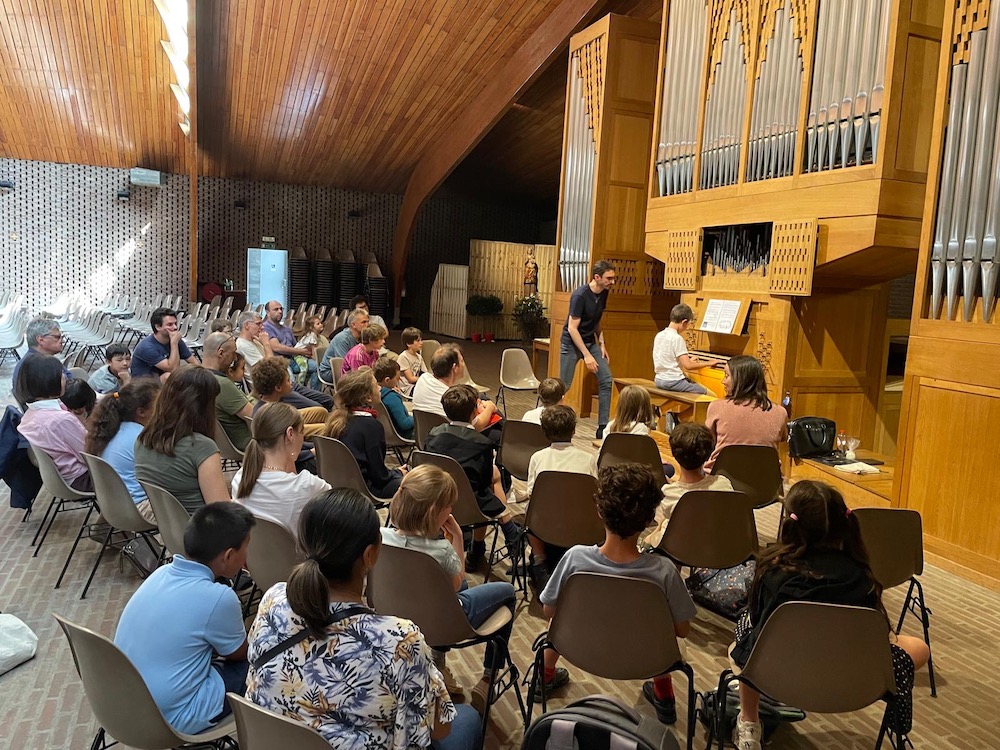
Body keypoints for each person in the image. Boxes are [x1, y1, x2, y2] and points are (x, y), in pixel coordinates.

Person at [246, 489, 481, 750]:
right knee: (467, 718)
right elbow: (439, 728)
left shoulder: (274, 598)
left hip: (273, 740)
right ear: (370, 555)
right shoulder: (400, 640)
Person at [731, 481, 930, 750]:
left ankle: (749, 722)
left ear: (790, 525)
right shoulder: (861, 576)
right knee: (918, 648)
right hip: (853, 681)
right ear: (843, 526)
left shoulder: (773, 572)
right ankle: (898, 731)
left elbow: (758, 623)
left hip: (777, 673)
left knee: (748, 624)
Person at [539, 464, 696, 721]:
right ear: (649, 520)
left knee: (558, 620)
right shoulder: (664, 571)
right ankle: (664, 693)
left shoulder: (574, 559)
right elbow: (682, 630)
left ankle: (544, 676)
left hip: (580, 648)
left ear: (600, 511)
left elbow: (549, 609)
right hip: (646, 656)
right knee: (659, 627)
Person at [381, 465, 516, 712]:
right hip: (445, 625)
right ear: (435, 512)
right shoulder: (441, 552)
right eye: (448, 508)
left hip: (395, 617)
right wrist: (456, 537)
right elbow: (455, 585)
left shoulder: (379, 537)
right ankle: (488, 678)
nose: (451, 511)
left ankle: (438, 662)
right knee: (507, 593)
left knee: (457, 586)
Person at [115, 502, 255, 734]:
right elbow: (240, 653)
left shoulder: (160, 573)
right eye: (247, 548)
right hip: (173, 719)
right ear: (229, 556)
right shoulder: (219, 597)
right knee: (262, 661)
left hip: (125, 706)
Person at [424, 384, 520, 569]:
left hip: (435, 499)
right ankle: (482, 545)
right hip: (471, 506)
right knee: (490, 481)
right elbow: (483, 482)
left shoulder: (433, 435)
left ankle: (494, 539)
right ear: (475, 412)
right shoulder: (481, 444)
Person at [134, 367, 230, 513]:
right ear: (205, 406)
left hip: (169, 525)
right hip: (203, 529)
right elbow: (222, 512)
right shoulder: (202, 447)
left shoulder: (143, 440)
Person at [232, 402, 331, 537]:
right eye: (301, 432)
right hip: (301, 557)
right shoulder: (307, 485)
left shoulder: (240, 477)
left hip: (254, 557)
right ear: (290, 434)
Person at [524, 405, 596, 587]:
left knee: (530, 509)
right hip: (580, 522)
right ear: (573, 430)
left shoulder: (537, 457)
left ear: (545, 432)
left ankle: (540, 561)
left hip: (545, 524)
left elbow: (532, 494)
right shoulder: (588, 459)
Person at [642, 423, 734, 549]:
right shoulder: (723, 484)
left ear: (674, 454)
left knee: (650, 538)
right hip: (714, 545)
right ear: (708, 454)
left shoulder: (669, 493)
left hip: (679, 547)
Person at [85, 378, 162, 523]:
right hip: (140, 508)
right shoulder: (141, 437)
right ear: (141, 412)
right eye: (159, 405)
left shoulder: (113, 429)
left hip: (116, 506)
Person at [323, 368, 405, 498]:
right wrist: (398, 473)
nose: (379, 388)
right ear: (367, 398)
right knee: (414, 484)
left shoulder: (337, 420)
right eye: (376, 386)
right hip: (364, 488)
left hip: (339, 484)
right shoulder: (372, 427)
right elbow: (380, 476)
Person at [15, 354, 92, 491]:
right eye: (61, 374)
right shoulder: (60, 420)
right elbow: (90, 454)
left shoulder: (29, 415)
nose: (65, 377)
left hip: (61, 478)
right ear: (49, 381)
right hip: (82, 478)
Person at [559, 260, 616, 437]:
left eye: (614, 278)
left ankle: (602, 427)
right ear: (597, 277)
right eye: (609, 278)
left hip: (590, 342)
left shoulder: (604, 293)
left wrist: (602, 344)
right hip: (572, 343)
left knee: (606, 380)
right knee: (563, 385)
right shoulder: (580, 296)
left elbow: (597, 320)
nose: (612, 282)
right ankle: (544, 417)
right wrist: (587, 355)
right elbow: (572, 328)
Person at [237, 309, 333, 410]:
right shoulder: (243, 345)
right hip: (274, 391)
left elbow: (275, 362)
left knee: (328, 400)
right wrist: (266, 344)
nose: (262, 326)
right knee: (318, 408)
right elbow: (270, 369)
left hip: (285, 384)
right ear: (247, 325)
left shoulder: (255, 341)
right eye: (258, 324)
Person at [705, 355, 787, 471]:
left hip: (721, 479)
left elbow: (708, 441)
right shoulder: (781, 412)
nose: (723, 381)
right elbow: (781, 439)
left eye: (727, 375)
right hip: (767, 482)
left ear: (741, 379)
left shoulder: (716, 407)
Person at [413, 344, 500, 435]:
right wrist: (490, 408)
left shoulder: (423, 379)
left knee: (481, 397)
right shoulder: (451, 398)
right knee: (498, 433)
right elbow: (476, 426)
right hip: (452, 438)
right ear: (454, 368)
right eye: (462, 361)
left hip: (425, 437)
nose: (464, 365)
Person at [251, 356, 329, 436]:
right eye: (288, 380)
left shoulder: (270, 403)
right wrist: (312, 448)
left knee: (321, 412)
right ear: (278, 387)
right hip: (288, 439)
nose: (291, 383)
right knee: (327, 429)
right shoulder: (268, 417)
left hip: (284, 422)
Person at [201, 332, 253, 451]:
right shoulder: (221, 384)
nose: (235, 358)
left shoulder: (195, 376)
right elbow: (255, 415)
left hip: (218, 444)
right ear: (220, 353)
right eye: (233, 353)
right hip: (249, 443)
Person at [652, 303, 720, 393]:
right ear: (684, 322)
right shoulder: (677, 338)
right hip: (673, 382)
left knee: (691, 382)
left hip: (659, 379)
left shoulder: (659, 335)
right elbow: (688, 366)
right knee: (709, 394)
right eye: (688, 324)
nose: (687, 328)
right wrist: (708, 363)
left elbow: (668, 361)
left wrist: (689, 361)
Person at [12, 316, 72, 406]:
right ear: (41, 340)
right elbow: (69, 392)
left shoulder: (42, 360)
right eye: (57, 337)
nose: (62, 341)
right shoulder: (37, 366)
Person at [261, 300, 320, 390]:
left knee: (317, 367)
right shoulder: (266, 327)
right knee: (290, 381)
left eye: (281, 309)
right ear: (268, 313)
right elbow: (276, 347)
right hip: (280, 361)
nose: (280, 311)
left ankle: (314, 394)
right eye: (276, 309)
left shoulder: (286, 328)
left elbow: (295, 345)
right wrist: (301, 351)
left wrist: (305, 350)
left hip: (293, 359)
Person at [130, 307, 198, 379]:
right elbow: (173, 369)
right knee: (169, 376)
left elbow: (194, 363)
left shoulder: (176, 340)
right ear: (158, 327)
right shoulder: (146, 347)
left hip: (161, 380)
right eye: (170, 324)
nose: (175, 327)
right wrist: (174, 343)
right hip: (145, 385)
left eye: (175, 323)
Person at [374, 355, 414, 439]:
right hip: (405, 434)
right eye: (397, 378)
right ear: (387, 380)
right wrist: (417, 417)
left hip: (386, 435)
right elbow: (405, 424)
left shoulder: (374, 394)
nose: (399, 380)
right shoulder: (392, 397)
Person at [323, 308, 369, 378]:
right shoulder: (342, 339)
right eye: (363, 322)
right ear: (353, 325)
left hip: (351, 368)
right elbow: (344, 364)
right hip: (330, 371)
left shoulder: (362, 336)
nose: (367, 325)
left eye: (367, 322)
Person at [395, 326, 425, 395]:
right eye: (418, 341)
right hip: (407, 388)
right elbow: (410, 379)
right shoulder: (403, 357)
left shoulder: (419, 357)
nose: (421, 343)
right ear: (408, 344)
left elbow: (425, 373)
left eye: (421, 340)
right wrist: (425, 379)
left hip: (417, 384)